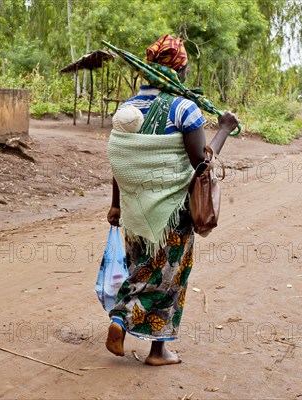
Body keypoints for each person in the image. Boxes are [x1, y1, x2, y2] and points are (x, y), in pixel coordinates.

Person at [105, 34, 239, 366]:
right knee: (169, 277)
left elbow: (122, 163)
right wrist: (223, 129)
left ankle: (120, 319)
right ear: (177, 70)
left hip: (136, 211)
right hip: (172, 214)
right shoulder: (184, 109)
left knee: (139, 268)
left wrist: (116, 205)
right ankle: (158, 350)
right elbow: (202, 166)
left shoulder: (127, 108)